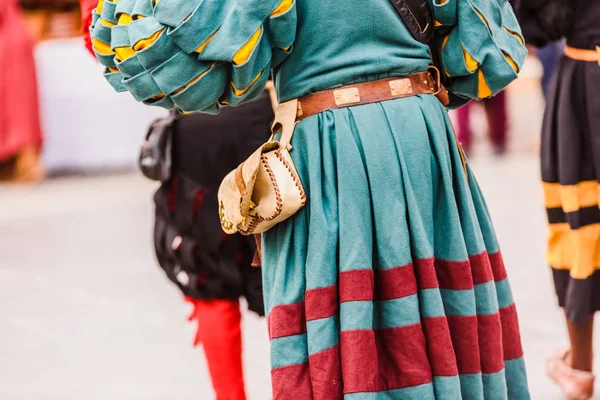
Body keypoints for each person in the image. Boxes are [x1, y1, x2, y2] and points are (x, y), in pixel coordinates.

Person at [88, 0, 531, 398]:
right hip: (422, 134)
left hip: (331, 147)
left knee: (346, 341)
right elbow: (486, 53)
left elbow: (180, 71)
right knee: (438, 324)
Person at [78, 2, 274, 398]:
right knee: (288, 274)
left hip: (196, 110)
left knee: (209, 278)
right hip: (269, 109)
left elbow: (100, 36)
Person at [518, 1, 599, 399]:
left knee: (580, 229)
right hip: (585, 83)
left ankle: (580, 371)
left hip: (587, 88)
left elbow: (536, 22)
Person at [0, 0, 44, 182]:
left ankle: (23, 163)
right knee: (21, 105)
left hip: (9, 42)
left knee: (18, 105)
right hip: (14, 35)